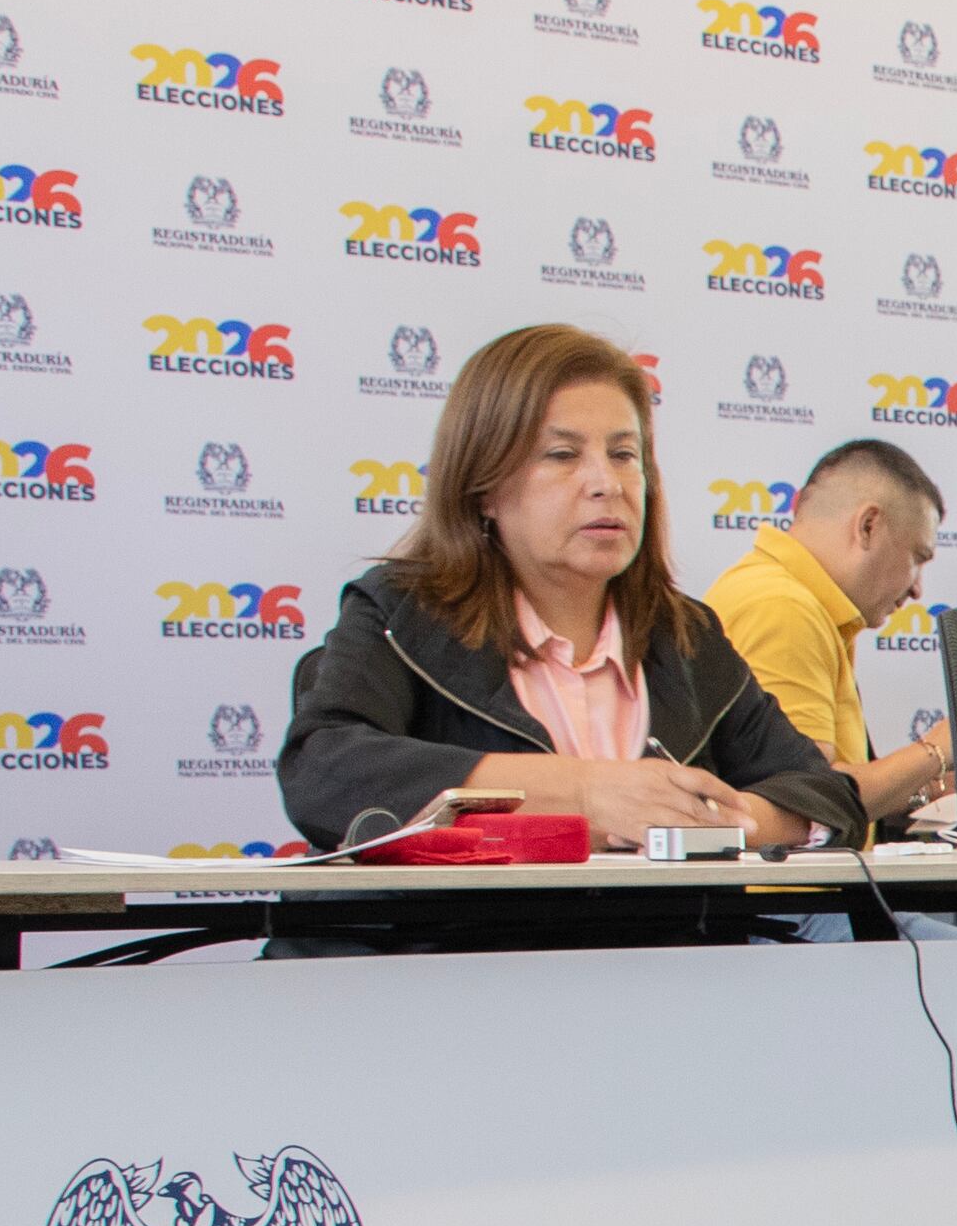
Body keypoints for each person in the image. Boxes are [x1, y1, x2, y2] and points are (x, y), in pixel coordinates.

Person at [281, 321, 855, 858]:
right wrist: (586, 795)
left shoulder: (686, 636)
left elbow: (822, 794)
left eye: (624, 455)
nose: (606, 484)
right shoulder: (401, 610)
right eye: (563, 455)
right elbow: (322, 768)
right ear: (483, 487)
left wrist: (699, 823)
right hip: (457, 956)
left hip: (663, 953)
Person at [704, 437, 957, 833]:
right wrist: (940, 747)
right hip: (789, 891)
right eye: (917, 559)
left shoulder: (796, 600)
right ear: (868, 526)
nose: (918, 589)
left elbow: (835, 788)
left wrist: (926, 785)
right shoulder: (782, 608)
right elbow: (810, 802)